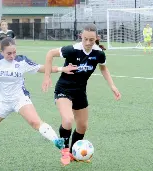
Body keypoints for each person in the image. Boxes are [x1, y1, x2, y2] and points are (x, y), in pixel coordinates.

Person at [0, 37, 78, 167]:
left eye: (14, 52)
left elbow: (41, 68)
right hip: (2, 102)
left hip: (20, 99)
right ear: (1, 51)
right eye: (9, 53)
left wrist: (62, 69)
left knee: (35, 122)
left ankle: (56, 140)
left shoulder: (22, 61)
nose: (12, 56)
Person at [42, 23, 121, 166]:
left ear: (96, 38)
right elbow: (50, 54)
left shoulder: (98, 53)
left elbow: (103, 68)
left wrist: (113, 86)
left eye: (91, 39)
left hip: (80, 92)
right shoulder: (72, 50)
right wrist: (47, 76)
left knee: (83, 126)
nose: (88, 43)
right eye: (85, 39)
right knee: (67, 120)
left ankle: (74, 152)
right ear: (81, 37)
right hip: (63, 89)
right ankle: (65, 151)